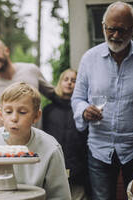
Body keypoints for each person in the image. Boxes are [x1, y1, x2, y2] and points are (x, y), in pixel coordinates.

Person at [71, 2, 133, 199]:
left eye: (122, 30)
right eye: (111, 29)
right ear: (103, 27)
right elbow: (78, 98)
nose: (116, 35)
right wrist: (83, 110)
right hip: (99, 148)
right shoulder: (89, 58)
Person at [0, 82, 71, 200]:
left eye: (22, 112)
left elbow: (59, 195)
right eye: (8, 112)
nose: (14, 118)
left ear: (36, 116)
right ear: (1, 114)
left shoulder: (50, 147)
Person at [0, 38, 55, 127]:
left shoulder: (31, 70)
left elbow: (55, 95)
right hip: (7, 139)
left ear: (7, 51)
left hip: (37, 137)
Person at [43, 69, 89, 200]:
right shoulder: (47, 110)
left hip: (79, 172)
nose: (69, 83)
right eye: (66, 79)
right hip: (53, 170)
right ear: (60, 83)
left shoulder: (83, 110)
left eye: (73, 80)